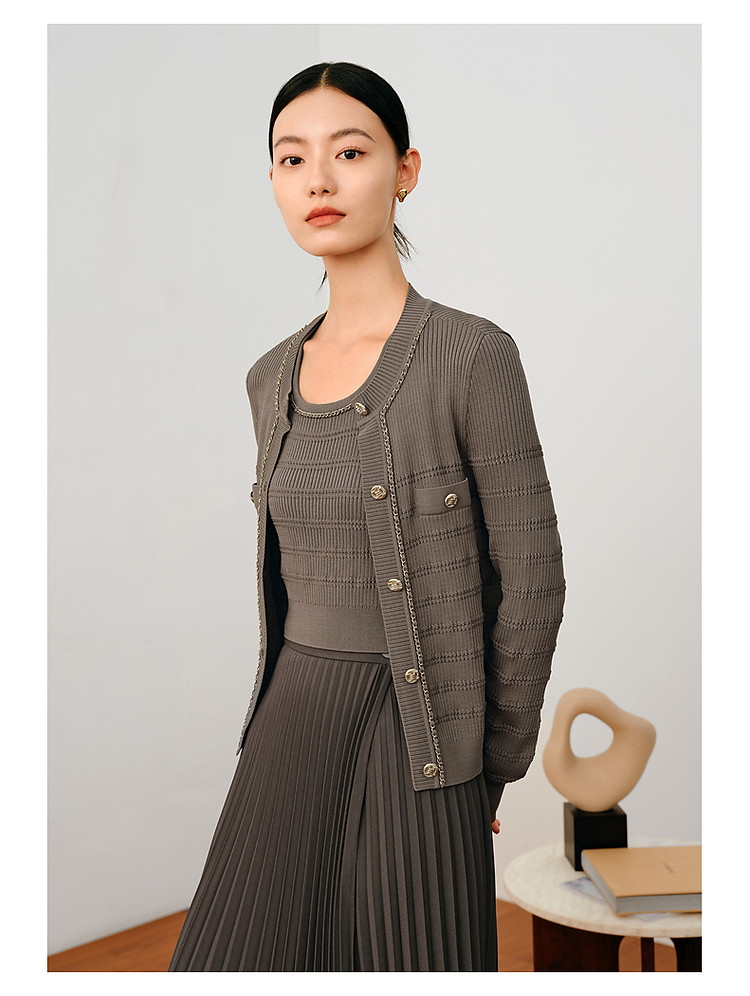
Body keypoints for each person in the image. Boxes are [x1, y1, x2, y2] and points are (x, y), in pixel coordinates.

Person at [168, 60, 565, 973]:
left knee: (413, 960)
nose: (319, 179)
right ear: (273, 181)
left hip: (421, 728)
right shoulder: (269, 378)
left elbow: (533, 581)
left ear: (405, 171)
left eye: (349, 152)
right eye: (291, 158)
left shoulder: (472, 356)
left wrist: (492, 759)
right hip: (291, 716)